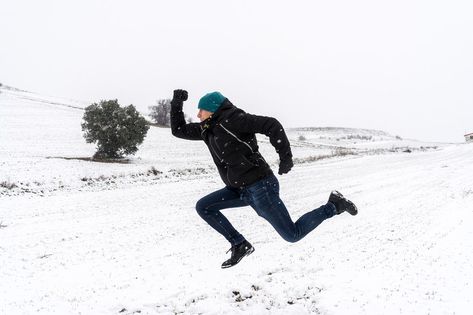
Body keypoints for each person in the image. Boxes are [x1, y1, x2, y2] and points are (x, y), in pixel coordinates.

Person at [170, 89, 357, 268]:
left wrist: (285, 156)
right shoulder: (207, 130)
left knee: (292, 234)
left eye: (201, 110)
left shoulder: (234, 119)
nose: (198, 115)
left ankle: (334, 205)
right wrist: (177, 103)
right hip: (239, 190)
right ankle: (240, 244)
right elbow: (178, 130)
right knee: (204, 206)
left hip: (260, 186)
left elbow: (271, 124)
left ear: (211, 109)